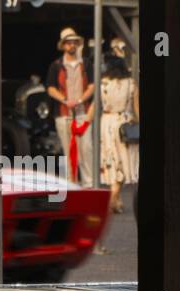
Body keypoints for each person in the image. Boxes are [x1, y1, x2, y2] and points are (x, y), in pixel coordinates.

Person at [46, 27, 94, 183]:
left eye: (74, 42)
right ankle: (71, 185)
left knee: (86, 148)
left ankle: (89, 184)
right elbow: (51, 88)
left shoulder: (85, 63)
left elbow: (93, 86)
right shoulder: (56, 65)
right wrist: (66, 100)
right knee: (69, 151)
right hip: (64, 114)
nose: (72, 45)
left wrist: (79, 100)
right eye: (68, 43)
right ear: (63, 45)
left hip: (83, 113)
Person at [98, 49, 139, 213]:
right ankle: (114, 197)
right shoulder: (131, 83)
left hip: (106, 123)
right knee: (123, 161)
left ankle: (116, 199)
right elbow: (136, 107)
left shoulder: (102, 83)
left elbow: (97, 104)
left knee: (110, 161)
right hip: (125, 124)